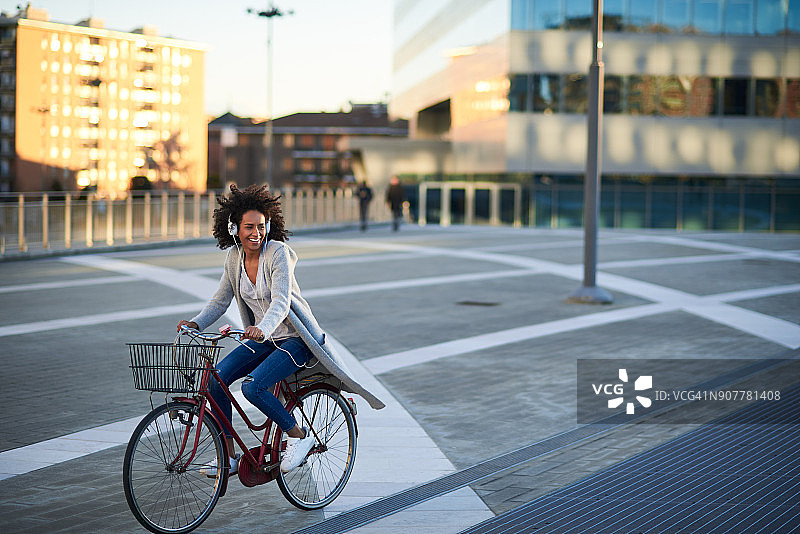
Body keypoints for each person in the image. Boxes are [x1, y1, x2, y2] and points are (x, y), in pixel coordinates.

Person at [178, 184, 384, 476]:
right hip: (264, 338)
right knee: (216, 381)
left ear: (269, 225)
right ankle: (228, 456)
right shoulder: (234, 258)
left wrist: (261, 328)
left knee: (253, 386)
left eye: (261, 227)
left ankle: (298, 436)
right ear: (234, 227)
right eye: (248, 227)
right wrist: (195, 323)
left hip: (294, 339)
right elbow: (220, 299)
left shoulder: (278, 253)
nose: (256, 233)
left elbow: (281, 301)